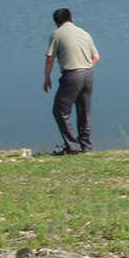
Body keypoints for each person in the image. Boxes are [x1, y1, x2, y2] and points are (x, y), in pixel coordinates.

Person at [43, 8, 100, 154]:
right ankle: (85, 146)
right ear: (71, 19)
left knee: (60, 111)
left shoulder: (56, 34)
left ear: (56, 22)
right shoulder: (84, 33)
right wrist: (85, 67)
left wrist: (47, 78)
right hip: (88, 74)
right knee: (84, 111)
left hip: (71, 75)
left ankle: (73, 147)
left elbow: (50, 58)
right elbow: (96, 57)